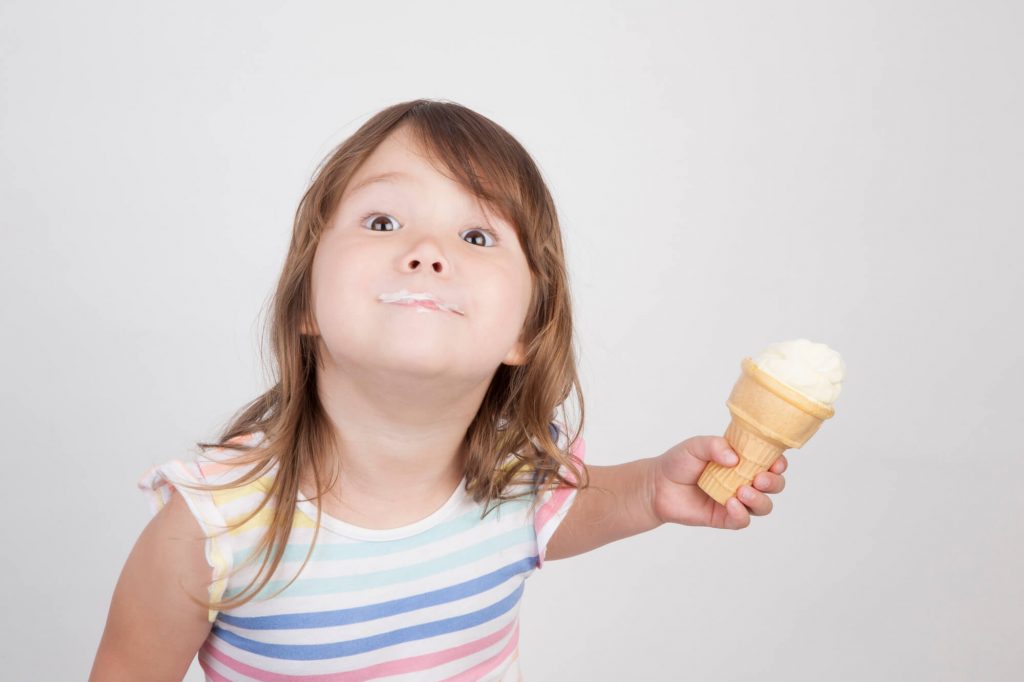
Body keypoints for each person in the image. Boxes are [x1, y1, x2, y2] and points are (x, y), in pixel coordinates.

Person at [89, 99, 787, 681]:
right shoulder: (211, 527)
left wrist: (648, 494)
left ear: (524, 332)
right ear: (305, 302)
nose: (427, 251)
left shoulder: (515, 484)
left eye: (478, 236)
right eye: (383, 222)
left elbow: (560, 513)